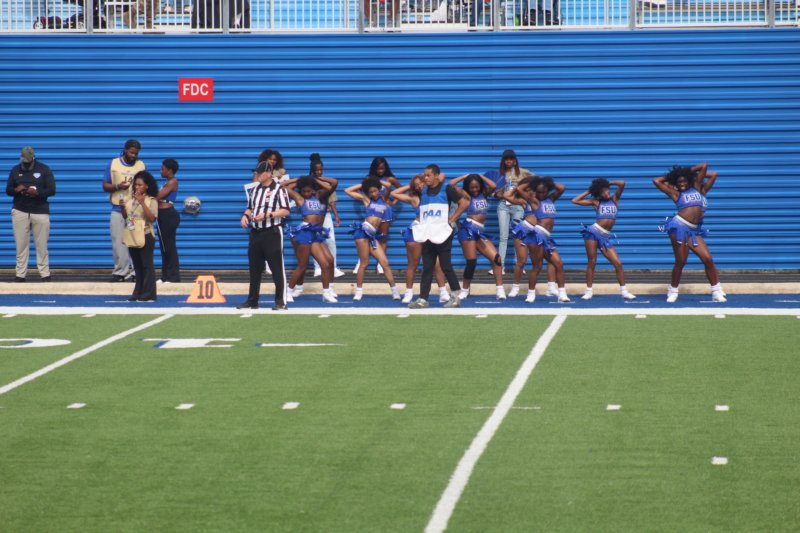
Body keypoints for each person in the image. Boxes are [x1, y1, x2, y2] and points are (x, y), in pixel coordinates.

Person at [653, 163, 726, 303]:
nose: (682, 183)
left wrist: (688, 173)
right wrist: (675, 176)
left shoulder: (697, 187)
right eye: (679, 181)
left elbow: (704, 166)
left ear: (689, 180)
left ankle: (716, 291)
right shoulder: (676, 193)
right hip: (679, 227)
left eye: (684, 180)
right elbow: (656, 181)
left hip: (693, 230)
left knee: (707, 258)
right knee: (681, 261)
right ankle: (673, 290)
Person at [408, 164, 470, 309]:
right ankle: (423, 299)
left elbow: (465, 202)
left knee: (445, 265)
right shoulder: (423, 191)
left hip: (443, 232)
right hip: (428, 233)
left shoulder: (447, 189)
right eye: (425, 175)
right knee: (427, 267)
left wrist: (452, 219)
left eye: (428, 175)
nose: (426, 178)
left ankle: (455, 296)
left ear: (436, 175)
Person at [236, 161, 291, 311]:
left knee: (277, 268)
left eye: (259, 173)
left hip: (272, 232)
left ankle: (281, 301)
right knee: (254, 268)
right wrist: (245, 216)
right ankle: (252, 301)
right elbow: (250, 207)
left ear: (268, 173)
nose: (257, 175)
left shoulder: (279, 189)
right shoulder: (255, 190)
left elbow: (286, 210)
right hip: (255, 232)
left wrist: (268, 215)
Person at [571, 178, 636, 300]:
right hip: (593, 233)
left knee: (618, 263)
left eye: (607, 190)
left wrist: (607, 183)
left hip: (605, 236)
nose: (607, 193)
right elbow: (575, 200)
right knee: (592, 261)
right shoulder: (596, 202)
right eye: (603, 192)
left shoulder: (615, 199)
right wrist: (590, 190)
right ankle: (589, 291)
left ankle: (624, 291)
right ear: (599, 193)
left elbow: (622, 183)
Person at [390, 175, 451, 304]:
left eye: (421, 182)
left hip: (431, 232)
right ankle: (408, 293)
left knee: (437, 263)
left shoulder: (434, 195)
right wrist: (411, 186)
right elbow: (394, 193)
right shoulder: (414, 198)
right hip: (416, 231)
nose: (419, 185)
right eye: (416, 184)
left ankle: (443, 292)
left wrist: (428, 182)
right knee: (413, 263)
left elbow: (442, 176)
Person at [509, 176, 570, 303]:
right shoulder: (534, 200)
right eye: (539, 192)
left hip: (546, 237)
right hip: (537, 236)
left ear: (548, 190)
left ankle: (562, 294)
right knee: (537, 266)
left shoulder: (551, 198)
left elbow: (562, 188)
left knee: (559, 264)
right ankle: (531, 294)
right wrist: (534, 181)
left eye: (544, 191)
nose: (541, 194)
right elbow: (519, 189)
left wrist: (546, 181)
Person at [282, 175, 339, 303]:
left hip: (316, 234)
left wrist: (315, 179)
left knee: (327, 262)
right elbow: (283, 186)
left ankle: (327, 291)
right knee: (303, 265)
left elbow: (334, 183)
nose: (306, 193)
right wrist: (298, 180)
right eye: (304, 191)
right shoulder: (300, 198)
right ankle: (288, 291)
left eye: (309, 191)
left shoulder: (320, 197)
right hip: (305, 233)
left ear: (313, 190)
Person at [449, 173, 506, 301]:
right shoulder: (466, 195)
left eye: (476, 187)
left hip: (480, 232)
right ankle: (464, 290)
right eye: (472, 187)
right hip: (468, 230)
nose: (474, 190)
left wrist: (480, 176)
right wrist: (464, 177)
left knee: (497, 259)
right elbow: (451, 185)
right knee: (471, 262)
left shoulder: (484, 193)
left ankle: (500, 290)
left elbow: (493, 185)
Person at [345, 177, 401, 302]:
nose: (374, 194)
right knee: (364, 264)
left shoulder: (384, 199)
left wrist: (375, 181)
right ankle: (359, 291)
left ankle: (395, 291)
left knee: (385, 263)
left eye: (375, 191)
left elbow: (388, 186)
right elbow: (347, 191)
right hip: (362, 234)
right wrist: (365, 184)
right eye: (371, 192)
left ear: (379, 190)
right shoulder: (367, 200)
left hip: (372, 236)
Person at [6, 147, 56, 282]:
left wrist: (37, 192)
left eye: (28, 161)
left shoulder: (44, 169)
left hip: (40, 211)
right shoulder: (15, 170)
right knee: (21, 245)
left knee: (42, 245)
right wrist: (17, 190)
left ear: (33, 157)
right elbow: (8, 190)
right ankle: (20, 274)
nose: (25, 164)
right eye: (23, 161)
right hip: (20, 210)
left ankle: (45, 273)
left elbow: (52, 190)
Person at [102, 139, 145, 282]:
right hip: (118, 210)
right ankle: (121, 272)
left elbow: (146, 185)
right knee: (118, 241)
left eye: (136, 153)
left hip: (134, 211)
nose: (134, 156)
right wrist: (118, 186)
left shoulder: (140, 165)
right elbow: (105, 185)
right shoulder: (114, 164)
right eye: (131, 152)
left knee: (135, 240)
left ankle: (136, 272)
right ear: (125, 150)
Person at [354, 157, 400, 275]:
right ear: (374, 168)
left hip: (385, 210)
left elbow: (400, 189)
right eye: (378, 168)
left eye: (382, 168)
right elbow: (360, 191)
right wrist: (371, 181)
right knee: (366, 237)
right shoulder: (368, 178)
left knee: (383, 238)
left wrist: (394, 202)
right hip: (372, 210)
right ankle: (361, 261)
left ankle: (380, 264)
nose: (380, 171)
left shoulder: (389, 179)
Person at [493, 149, 534, 274]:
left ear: (515, 161)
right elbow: (494, 192)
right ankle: (500, 266)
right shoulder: (500, 174)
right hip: (503, 206)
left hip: (518, 206)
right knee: (503, 237)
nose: (509, 161)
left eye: (511, 159)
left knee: (518, 235)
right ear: (503, 161)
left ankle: (519, 266)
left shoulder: (522, 172)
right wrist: (500, 194)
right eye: (506, 159)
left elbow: (535, 181)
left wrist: (525, 195)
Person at [121, 171, 158, 302]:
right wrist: (122, 208)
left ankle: (149, 294)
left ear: (147, 186)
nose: (137, 187)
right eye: (135, 185)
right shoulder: (131, 200)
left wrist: (142, 203)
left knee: (146, 265)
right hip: (132, 234)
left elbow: (152, 218)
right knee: (137, 266)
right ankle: (138, 292)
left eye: (140, 185)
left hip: (145, 235)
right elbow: (126, 217)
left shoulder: (151, 200)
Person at [308, 154, 345, 279]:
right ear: (313, 170)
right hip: (312, 214)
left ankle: (333, 267)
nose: (319, 172)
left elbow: (332, 200)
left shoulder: (326, 182)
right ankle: (317, 268)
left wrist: (336, 216)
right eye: (317, 170)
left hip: (326, 213)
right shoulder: (308, 182)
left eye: (321, 169)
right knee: (314, 240)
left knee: (331, 240)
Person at [156, 158, 181, 284]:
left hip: (168, 215)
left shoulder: (172, 182)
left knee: (169, 246)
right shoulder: (166, 182)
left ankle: (173, 276)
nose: (160, 171)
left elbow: (158, 196)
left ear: (170, 170)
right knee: (164, 247)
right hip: (161, 215)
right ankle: (165, 276)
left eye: (163, 169)